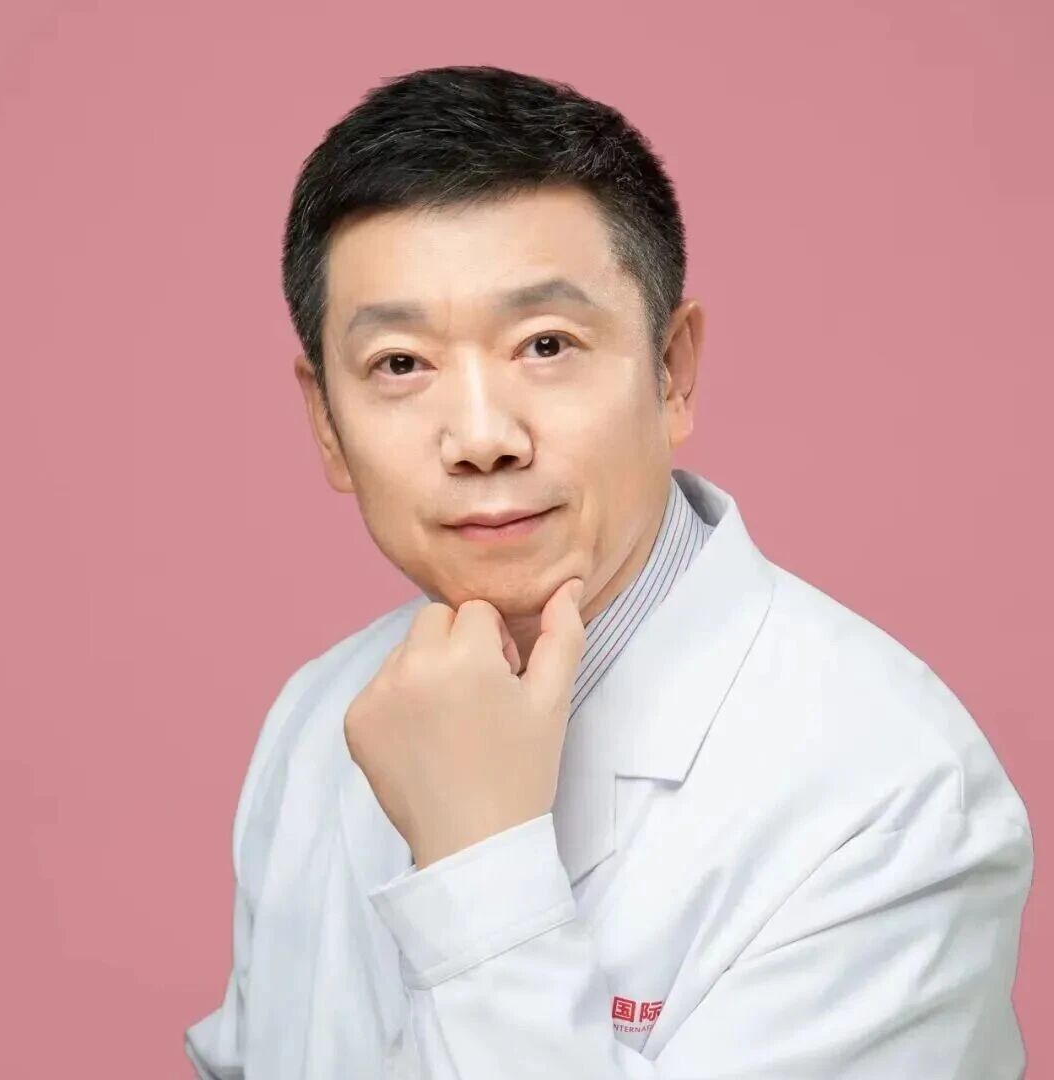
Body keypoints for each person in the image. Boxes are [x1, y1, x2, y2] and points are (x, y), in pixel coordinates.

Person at [184, 65, 1033, 1079]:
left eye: (546, 344)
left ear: (673, 372)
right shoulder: (316, 717)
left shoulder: (890, 796)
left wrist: (476, 858)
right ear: (326, 422)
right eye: (400, 364)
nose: (482, 438)